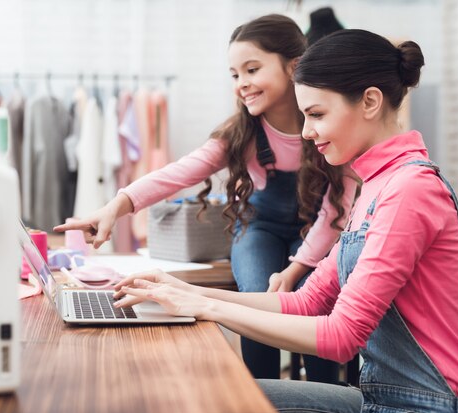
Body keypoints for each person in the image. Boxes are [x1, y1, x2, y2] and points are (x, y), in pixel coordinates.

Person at [111, 29, 458, 413]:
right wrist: (187, 293)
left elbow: (342, 336)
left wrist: (204, 307)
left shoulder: (410, 190)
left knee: (220, 404)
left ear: (370, 102)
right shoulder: (373, 186)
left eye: (316, 114)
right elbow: (307, 302)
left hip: (439, 408)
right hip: (392, 401)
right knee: (213, 392)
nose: (306, 131)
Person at [54, 14, 358, 381]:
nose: (242, 84)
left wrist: (296, 268)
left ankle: (329, 397)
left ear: (293, 66)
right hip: (260, 227)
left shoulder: (326, 125)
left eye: (252, 69)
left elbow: (335, 212)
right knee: (256, 296)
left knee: (317, 300)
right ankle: (261, 393)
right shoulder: (242, 132)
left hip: (317, 231)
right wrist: (116, 206)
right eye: (235, 75)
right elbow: (179, 172)